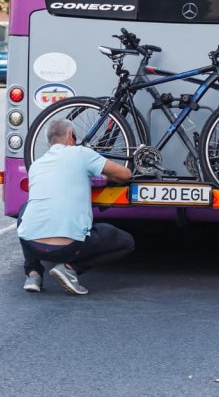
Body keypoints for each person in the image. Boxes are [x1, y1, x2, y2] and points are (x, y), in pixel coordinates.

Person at [17, 119, 134, 295]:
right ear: (71, 135)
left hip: (32, 244)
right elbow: (125, 174)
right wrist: (108, 178)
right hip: (69, 248)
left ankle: (33, 274)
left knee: (26, 209)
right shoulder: (82, 154)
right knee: (125, 242)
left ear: (49, 141)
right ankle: (70, 268)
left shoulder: (36, 165)